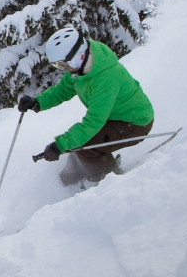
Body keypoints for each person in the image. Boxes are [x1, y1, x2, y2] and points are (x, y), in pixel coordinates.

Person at [18, 27, 154, 184]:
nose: (64, 69)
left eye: (63, 65)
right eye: (58, 66)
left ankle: (110, 182)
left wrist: (59, 146)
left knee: (85, 146)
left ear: (78, 56)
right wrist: (37, 102)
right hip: (115, 116)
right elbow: (62, 91)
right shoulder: (81, 67)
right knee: (77, 145)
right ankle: (72, 179)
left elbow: (93, 121)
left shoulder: (105, 77)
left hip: (135, 122)